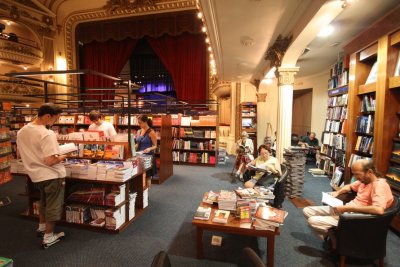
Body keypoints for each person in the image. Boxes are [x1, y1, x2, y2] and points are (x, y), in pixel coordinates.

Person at [303, 159, 394, 242]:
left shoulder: (379, 185)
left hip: (354, 219)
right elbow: (349, 186)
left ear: (369, 172)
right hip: (346, 211)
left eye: (357, 174)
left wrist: (348, 208)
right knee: (307, 210)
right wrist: (337, 193)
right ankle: (334, 234)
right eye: (354, 174)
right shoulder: (364, 181)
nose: (355, 177)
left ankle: (335, 238)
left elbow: (379, 210)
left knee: (312, 221)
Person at [17, 103, 68, 248]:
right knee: (53, 205)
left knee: (43, 202)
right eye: (55, 119)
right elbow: (51, 161)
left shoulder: (22, 131)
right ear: (47, 116)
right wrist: (63, 156)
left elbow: (21, 153)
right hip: (51, 175)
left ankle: (41, 227)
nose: (55, 122)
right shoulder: (46, 133)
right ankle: (48, 236)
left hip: (35, 175)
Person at [135, 115, 157, 188]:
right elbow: (137, 143)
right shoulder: (139, 131)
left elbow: (155, 145)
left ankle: (146, 195)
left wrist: (149, 149)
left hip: (148, 157)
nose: (139, 124)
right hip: (139, 156)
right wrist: (133, 147)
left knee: (147, 177)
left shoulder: (151, 132)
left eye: (140, 123)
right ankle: (142, 195)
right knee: (139, 176)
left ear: (145, 122)